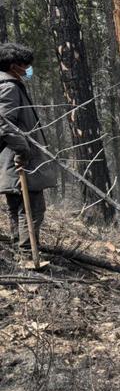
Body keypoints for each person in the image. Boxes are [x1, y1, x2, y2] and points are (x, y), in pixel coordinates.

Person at [0, 43, 56, 260]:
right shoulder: (8, 87)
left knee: (19, 207)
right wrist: (23, 150)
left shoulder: (10, 84)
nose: (28, 70)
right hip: (17, 159)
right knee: (31, 208)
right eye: (26, 66)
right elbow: (4, 124)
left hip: (12, 158)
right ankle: (27, 255)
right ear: (14, 66)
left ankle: (19, 252)